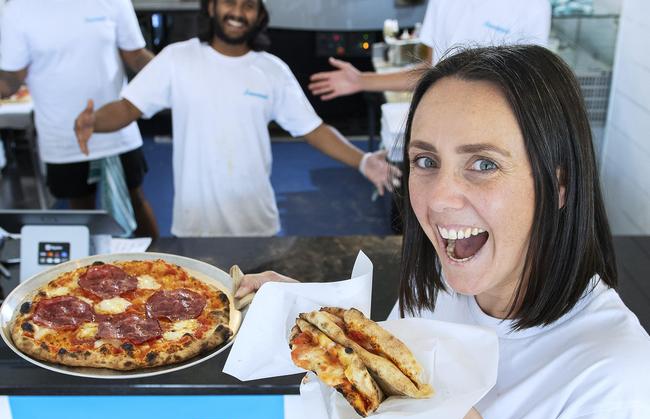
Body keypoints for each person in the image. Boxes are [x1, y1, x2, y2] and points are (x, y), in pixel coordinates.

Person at [235, 45, 650, 419]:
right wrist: (317, 317)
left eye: (483, 164)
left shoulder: (618, 385)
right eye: (426, 161)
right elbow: (392, 395)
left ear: (559, 184)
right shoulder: (440, 285)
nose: (437, 199)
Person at [74, 0, 400, 237]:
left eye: (248, 6)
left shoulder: (272, 70)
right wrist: (95, 122)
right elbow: (128, 107)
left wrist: (363, 161)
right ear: (212, 7)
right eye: (230, 2)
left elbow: (313, 130)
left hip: (257, 223)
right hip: (194, 225)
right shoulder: (178, 58)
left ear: (258, 15)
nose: (238, 12)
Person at [0, 0, 159, 238]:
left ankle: (165, 264)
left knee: (135, 198)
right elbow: (11, 80)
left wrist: (173, 74)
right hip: (62, 135)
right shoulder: (17, 9)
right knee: (81, 216)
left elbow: (135, 56)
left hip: (116, 127)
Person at [308, 0, 550, 100]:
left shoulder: (532, 5)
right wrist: (362, 80)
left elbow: (530, 83)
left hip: (494, 126)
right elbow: (431, 72)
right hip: (444, 116)